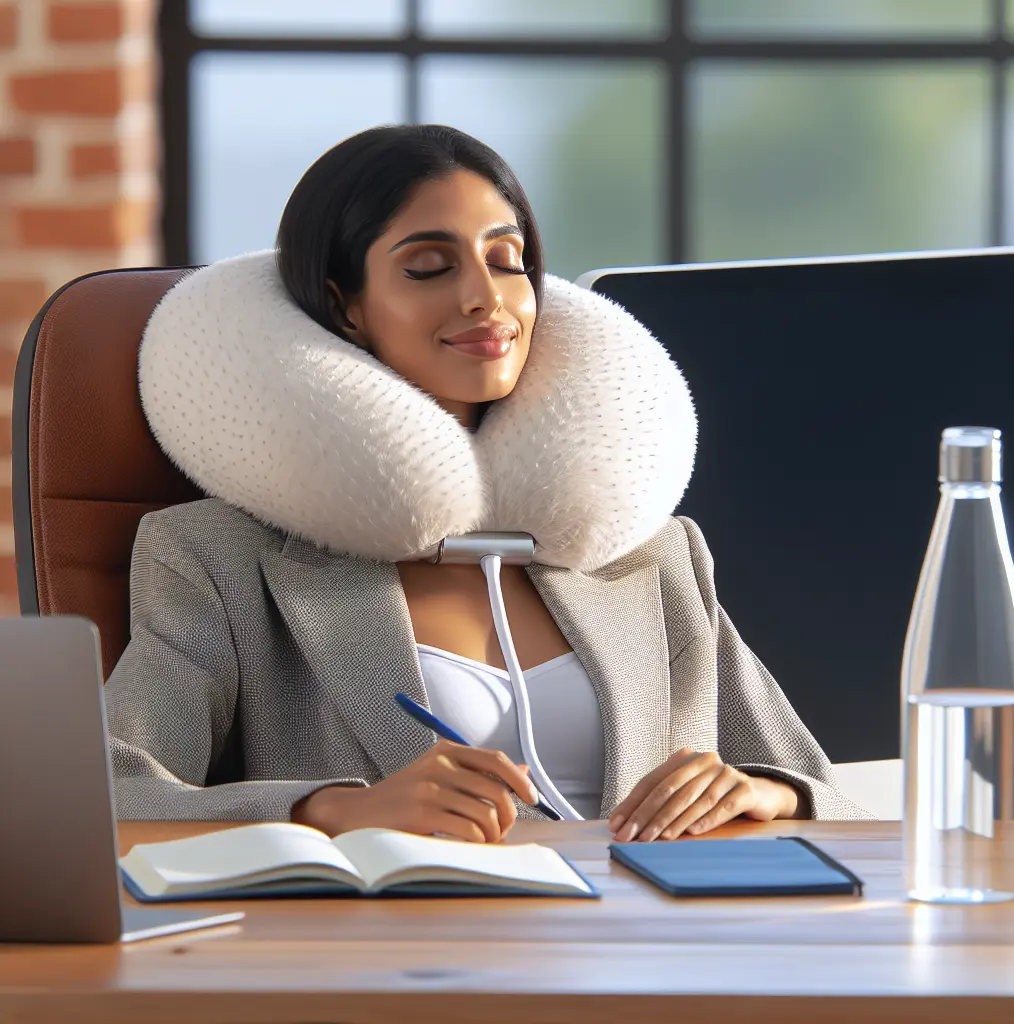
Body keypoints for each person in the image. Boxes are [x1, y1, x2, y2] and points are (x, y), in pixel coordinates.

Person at [106, 124, 868, 845]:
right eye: (430, 267)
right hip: (396, 963)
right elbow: (111, 793)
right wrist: (336, 809)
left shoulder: (655, 555)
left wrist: (765, 793)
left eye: (508, 261)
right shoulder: (215, 556)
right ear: (344, 304)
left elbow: (835, 799)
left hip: (641, 959)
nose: (486, 298)